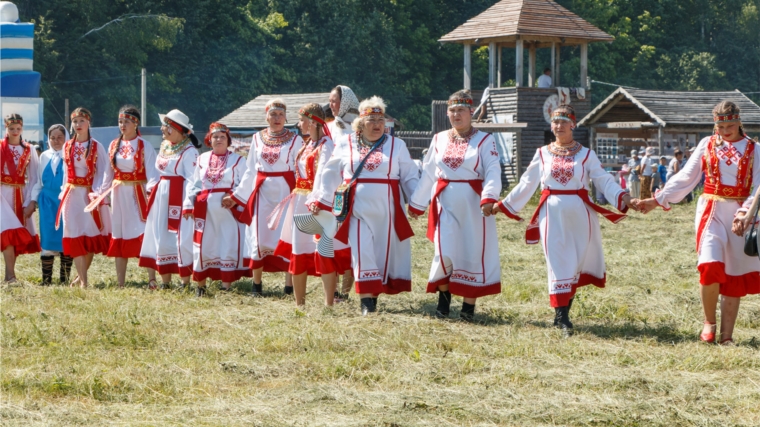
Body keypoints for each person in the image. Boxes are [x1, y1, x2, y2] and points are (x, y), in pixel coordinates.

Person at [495, 105, 637, 337]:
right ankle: (563, 318)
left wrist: (625, 198)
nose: (559, 126)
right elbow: (526, 183)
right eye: (555, 122)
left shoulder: (586, 155)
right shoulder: (542, 153)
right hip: (551, 213)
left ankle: (563, 312)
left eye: (564, 121)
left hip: (581, 214)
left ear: (574, 124)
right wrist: (503, 204)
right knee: (558, 261)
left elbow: (604, 180)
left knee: (576, 262)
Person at [638, 101, 760, 345]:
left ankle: (727, 336)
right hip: (711, 210)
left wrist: (746, 214)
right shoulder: (707, 144)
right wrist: (657, 199)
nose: (725, 130)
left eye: (730, 124)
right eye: (720, 125)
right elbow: (687, 177)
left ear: (739, 122)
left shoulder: (754, 149)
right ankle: (709, 323)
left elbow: (757, 185)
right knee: (709, 264)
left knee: (733, 273)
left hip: (740, 214)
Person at [311, 96, 420, 315]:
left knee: (380, 254)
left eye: (381, 120)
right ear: (361, 123)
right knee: (362, 251)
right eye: (372, 120)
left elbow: (409, 176)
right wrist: (322, 199)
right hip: (356, 208)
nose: (378, 125)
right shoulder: (346, 142)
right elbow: (330, 172)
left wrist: (416, 202)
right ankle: (366, 303)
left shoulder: (396, 145)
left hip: (387, 209)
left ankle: (373, 296)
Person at [408, 90, 502, 321]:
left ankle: (468, 309)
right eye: (452, 110)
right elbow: (429, 172)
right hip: (445, 203)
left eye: (461, 110)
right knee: (444, 250)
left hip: (473, 205)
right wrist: (417, 203)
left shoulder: (484, 140)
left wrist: (489, 197)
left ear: (471, 112)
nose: (456, 114)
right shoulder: (439, 138)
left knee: (471, 251)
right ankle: (443, 304)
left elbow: (492, 169)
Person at [272, 103, 350, 307]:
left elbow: (327, 174)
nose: (299, 124)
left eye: (302, 120)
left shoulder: (327, 145)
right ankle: (299, 303)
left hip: (317, 204)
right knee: (299, 250)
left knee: (323, 250)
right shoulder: (308, 145)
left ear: (313, 122)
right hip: (300, 201)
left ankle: (328, 303)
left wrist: (319, 199)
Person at [222, 99, 302, 296]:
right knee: (258, 236)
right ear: (266, 116)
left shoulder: (295, 140)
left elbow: (300, 169)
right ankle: (257, 285)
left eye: (281, 115)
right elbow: (250, 171)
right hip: (263, 192)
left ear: (286, 118)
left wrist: (302, 194)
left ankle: (289, 285)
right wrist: (237, 196)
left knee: (287, 235)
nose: (277, 118)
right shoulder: (257, 138)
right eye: (273, 114)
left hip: (287, 192)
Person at [183, 123, 249, 296]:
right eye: (215, 137)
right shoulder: (201, 159)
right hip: (204, 210)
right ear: (209, 140)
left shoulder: (238, 160)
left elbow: (246, 183)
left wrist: (234, 198)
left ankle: (226, 285)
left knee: (227, 242)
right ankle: (201, 286)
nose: (218, 139)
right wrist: (189, 204)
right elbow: (194, 183)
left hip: (227, 211)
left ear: (228, 140)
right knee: (204, 244)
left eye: (222, 136)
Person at [139, 110, 201, 290]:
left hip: (179, 196)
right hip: (162, 196)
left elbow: (193, 179)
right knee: (161, 234)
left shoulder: (189, 151)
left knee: (181, 237)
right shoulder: (165, 146)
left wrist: (189, 203)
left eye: (166, 126)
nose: (162, 129)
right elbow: (157, 172)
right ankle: (165, 281)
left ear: (176, 129)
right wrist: (152, 188)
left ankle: (184, 281)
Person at [102, 106, 159, 288]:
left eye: (126, 121)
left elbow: (152, 173)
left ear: (136, 123)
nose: (122, 125)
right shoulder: (113, 145)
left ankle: (152, 279)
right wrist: (102, 194)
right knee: (120, 233)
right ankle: (120, 282)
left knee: (144, 233)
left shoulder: (144, 145)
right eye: (120, 121)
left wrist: (151, 193)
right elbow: (108, 173)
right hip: (119, 194)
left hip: (138, 193)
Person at [56, 108, 111, 288]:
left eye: (81, 121)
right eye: (75, 121)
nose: (78, 125)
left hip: (89, 194)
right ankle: (84, 282)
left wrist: (98, 192)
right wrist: (63, 190)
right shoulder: (67, 145)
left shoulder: (96, 146)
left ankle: (81, 277)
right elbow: (66, 172)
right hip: (71, 194)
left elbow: (104, 171)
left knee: (89, 235)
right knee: (75, 235)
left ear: (89, 123)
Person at [1, 113, 41, 282]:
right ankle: (10, 275)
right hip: (2, 195)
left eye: (18, 128)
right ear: (6, 128)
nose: (15, 131)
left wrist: (30, 201)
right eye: (11, 128)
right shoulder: (1, 147)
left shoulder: (30, 149)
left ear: (22, 128)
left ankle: (10, 274)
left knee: (14, 235)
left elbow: (34, 178)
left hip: (20, 195)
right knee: (8, 231)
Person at [30, 124, 73, 285]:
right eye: (52, 138)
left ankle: (64, 279)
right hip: (47, 202)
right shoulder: (44, 156)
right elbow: (39, 182)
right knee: (47, 237)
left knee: (65, 237)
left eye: (60, 137)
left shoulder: (69, 156)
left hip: (65, 201)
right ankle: (46, 280)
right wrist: (33, 200)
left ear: (66, 138)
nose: (56, 141)